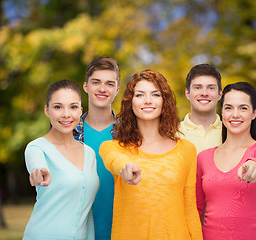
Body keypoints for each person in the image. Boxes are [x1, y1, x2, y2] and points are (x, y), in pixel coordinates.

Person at [99, 70, 203, 240]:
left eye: (155, 94)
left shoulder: (187, 150)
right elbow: (116, 161)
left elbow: (190, 208)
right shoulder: (113, 148)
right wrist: (126, 167)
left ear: (164, 102)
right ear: (130, 103)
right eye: (140, 95)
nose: (148, 100)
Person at [196, 82, 256, 240]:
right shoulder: (203, 158)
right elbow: (195, 210)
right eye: (228, 107)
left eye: (243, 108)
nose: (235, 114)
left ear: (254, 113)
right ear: (222, 112)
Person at [24, 80, 99, 240]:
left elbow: (87, 211)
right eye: (58, 107)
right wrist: (39, 173)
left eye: (72, 107)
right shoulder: (37, 148)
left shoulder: (90, 154)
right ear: (47, 110)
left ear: (80, 110)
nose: (66, 114)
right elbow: (37, 167)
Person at [73, 57, 120, 240]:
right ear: (86, 86)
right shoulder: (69, 132)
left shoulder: (130, 134)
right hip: (78, 233)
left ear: (116, 90)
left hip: (121, 232)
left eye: (109, 84)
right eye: (96, 82)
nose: (102, 89)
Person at [179, 63, 223, 153]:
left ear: (219, 95)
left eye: (211, 88)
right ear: (188, 93)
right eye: (198, 87)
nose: (204, 93)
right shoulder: (172, 133)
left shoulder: (232, 132)